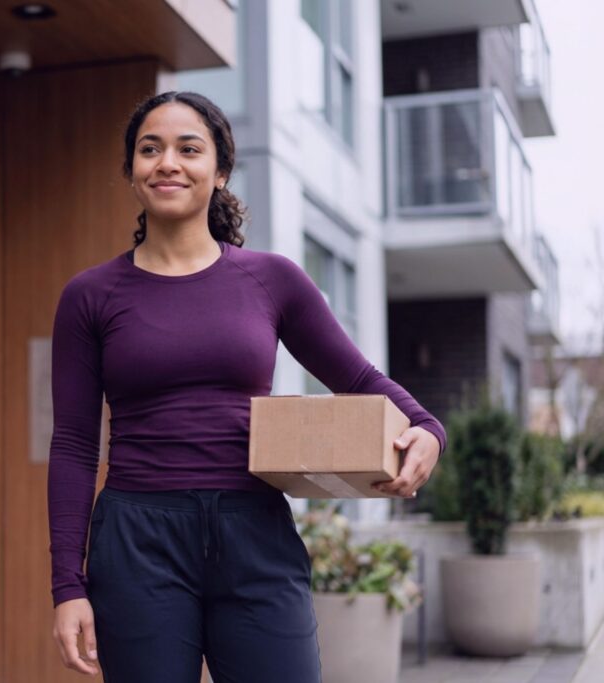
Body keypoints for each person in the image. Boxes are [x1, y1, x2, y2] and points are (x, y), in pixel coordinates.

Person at [47, 91, 445, 682]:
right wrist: (67, 585)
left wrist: (429, 430)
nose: (168, 163)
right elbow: (76, 446)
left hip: (254, 531)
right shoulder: (91, 295)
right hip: (137, 541)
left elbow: (358, 378)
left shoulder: (272, 280)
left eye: (189, 148)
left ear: (220, 170)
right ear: (131, 172)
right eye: (149, 149)